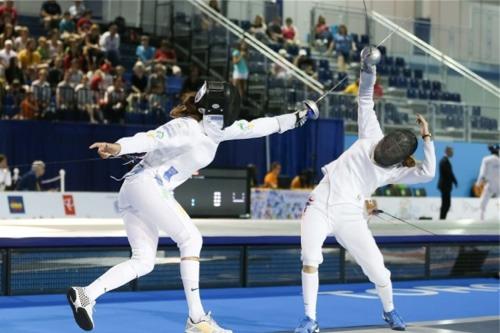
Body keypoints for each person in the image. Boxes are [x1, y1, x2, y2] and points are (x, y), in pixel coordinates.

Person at [67, 81, 315, 332]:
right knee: (191, 240)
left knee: (143, 262)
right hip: (146, 185)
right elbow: (151, 138)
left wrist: (298, 117)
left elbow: (261, 126)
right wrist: (119, 147)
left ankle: (86, 294)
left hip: (137, 190)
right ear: (218, 108)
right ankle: (197, 320)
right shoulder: (187, 127)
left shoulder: (218, 131)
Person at [294, 47, 436, 333]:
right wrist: (367, 67)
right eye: (390, 143)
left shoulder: (396, 170)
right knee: (310, 258)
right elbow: (366, 97)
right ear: (389, 138)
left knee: (379, 270)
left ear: (398, 157)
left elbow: (428, 172)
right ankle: (310, 319)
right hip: (320, 202)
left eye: (394, 150)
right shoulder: (372, 133)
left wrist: (427, 136)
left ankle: (390, 310)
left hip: (350, 214)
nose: (388, 149)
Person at [476, 144, 499, 220]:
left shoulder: (486, 160)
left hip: (490, 184)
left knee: (483, 201)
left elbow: (482, 173)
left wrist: (478, 183)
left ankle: (481, 218)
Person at [437, 146, 457, 220]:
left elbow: (450, 173)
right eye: (451, 151)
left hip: (446, 186)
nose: (453, 153)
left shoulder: (446, 160)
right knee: (446, 203)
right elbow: (449, 173)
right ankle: (442, 218)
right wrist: (454, 180)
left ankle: (442, 218)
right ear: (447, 152)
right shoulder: (444, 161)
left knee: (446, 203)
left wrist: (454, 181)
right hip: (445, 186)